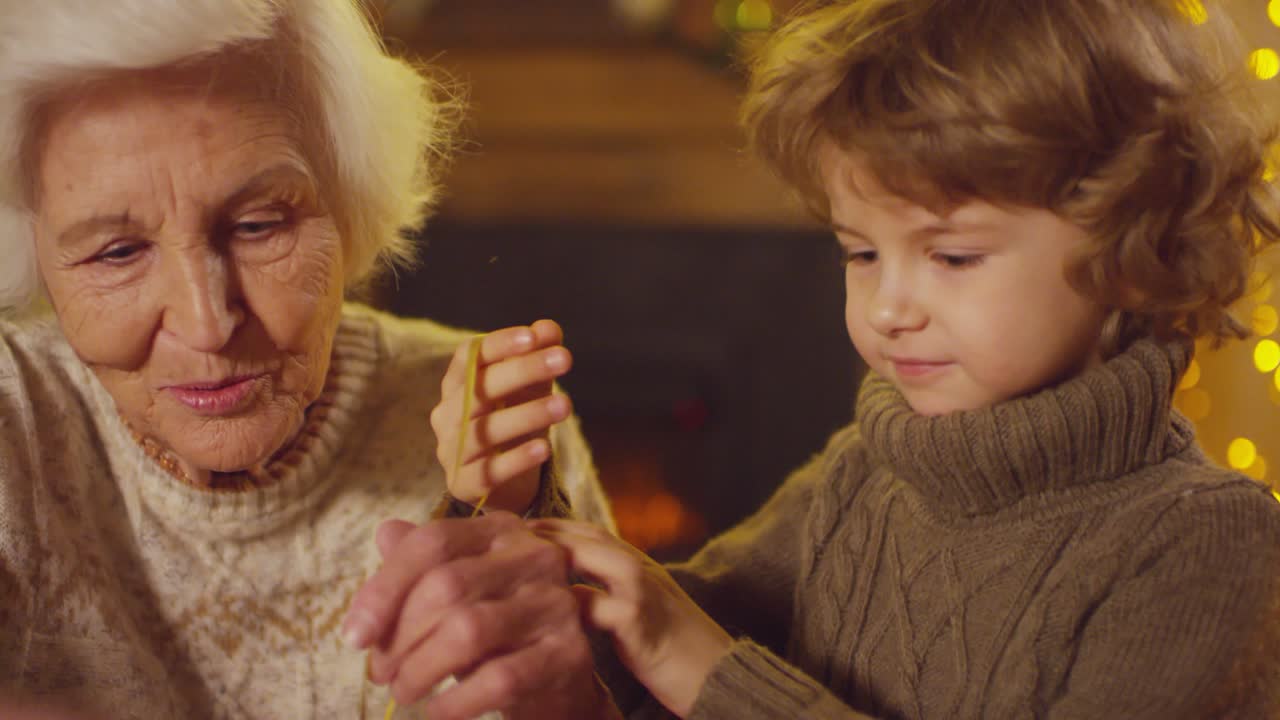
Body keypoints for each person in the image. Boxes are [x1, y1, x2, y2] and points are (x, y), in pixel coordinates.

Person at [400, 0, 1280, 718]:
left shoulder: (1206, 542)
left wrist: (704, 667)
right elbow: (643, 668)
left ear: (1133, 249)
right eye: (861, 253)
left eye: (952, 256)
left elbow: (692, 661)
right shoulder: (866, 471)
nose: (889, 308)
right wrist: (514, 509)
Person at [0, 1, 614, 718]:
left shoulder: (493, 424)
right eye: (119, 252)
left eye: (259, 226)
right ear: (31, 251)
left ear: (351, 205)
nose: (206, 325)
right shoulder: (14, 423)